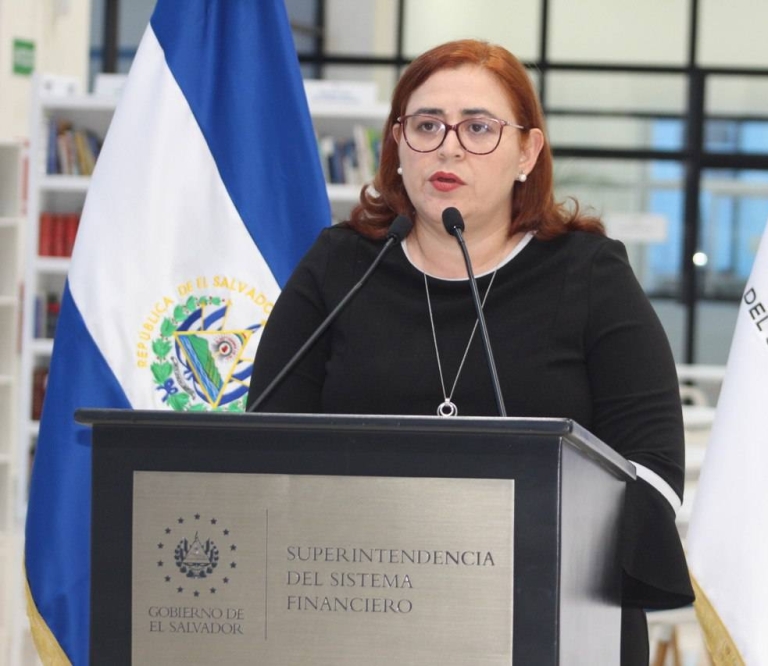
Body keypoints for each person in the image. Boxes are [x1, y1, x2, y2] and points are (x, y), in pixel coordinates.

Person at [248, 38, 694, 665]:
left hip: (550, 613)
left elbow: (653, 471)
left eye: (478, 127)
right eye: (426, 125)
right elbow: (263, 446)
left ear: (526, 153)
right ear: (398, 144)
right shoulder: (341, 265)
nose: (448, 147)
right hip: (355, 610)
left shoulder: (589, 273)